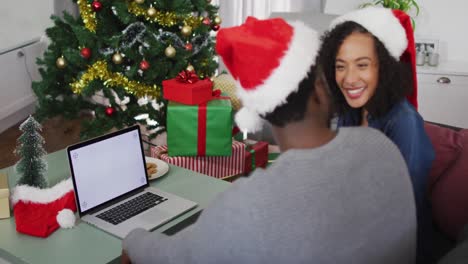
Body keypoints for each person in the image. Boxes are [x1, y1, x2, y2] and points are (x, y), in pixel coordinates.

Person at [121, 16, 416, 263]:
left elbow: (171, 258)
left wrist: (132, 239)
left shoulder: (247, 206)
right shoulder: (381, 146)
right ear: (319, 90)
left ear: (262, 111)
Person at [317, 7, 435, 263]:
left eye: (362, 65)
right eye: (340, 66)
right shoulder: (351, 112)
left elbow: (402, 210)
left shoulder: (404, 122)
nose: (349, 78)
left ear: (384, 67)